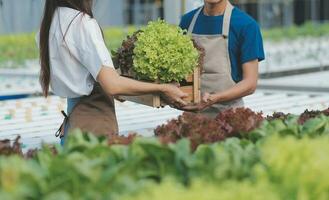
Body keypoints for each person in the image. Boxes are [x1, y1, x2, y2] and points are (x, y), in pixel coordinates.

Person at [37, 0, 187, 145]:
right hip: (94, 125)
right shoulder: (82, 23)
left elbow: (86, 76)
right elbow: (112, 85)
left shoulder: (51, 21)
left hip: (73, 124)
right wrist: (163, 88)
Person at [179, 0, 265, 118]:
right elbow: (181, 73)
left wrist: (214, 98)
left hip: (229, 117)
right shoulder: (187, 21)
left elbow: (250, 84)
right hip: (192, 117)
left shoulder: (246, 25)